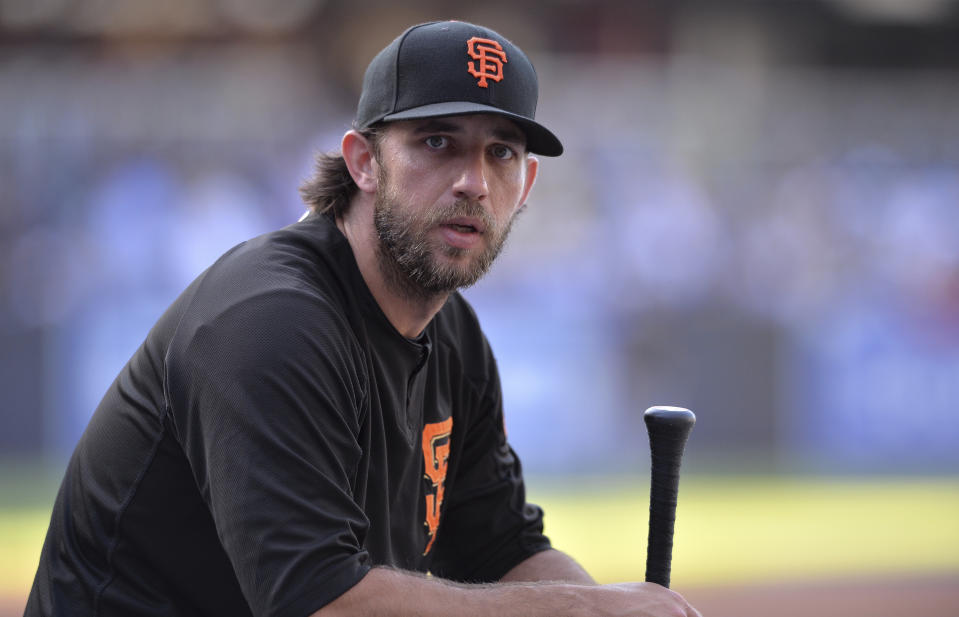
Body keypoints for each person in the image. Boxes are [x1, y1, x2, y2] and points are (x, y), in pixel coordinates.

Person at [26, 20, 701, 617]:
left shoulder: (454, 336)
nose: (473, 181)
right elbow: (319, 600)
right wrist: (583, 607)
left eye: (500, 152)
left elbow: (502, 546)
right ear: (363, 162)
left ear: (524, 187)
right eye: (438, 142)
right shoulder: (268, 322)